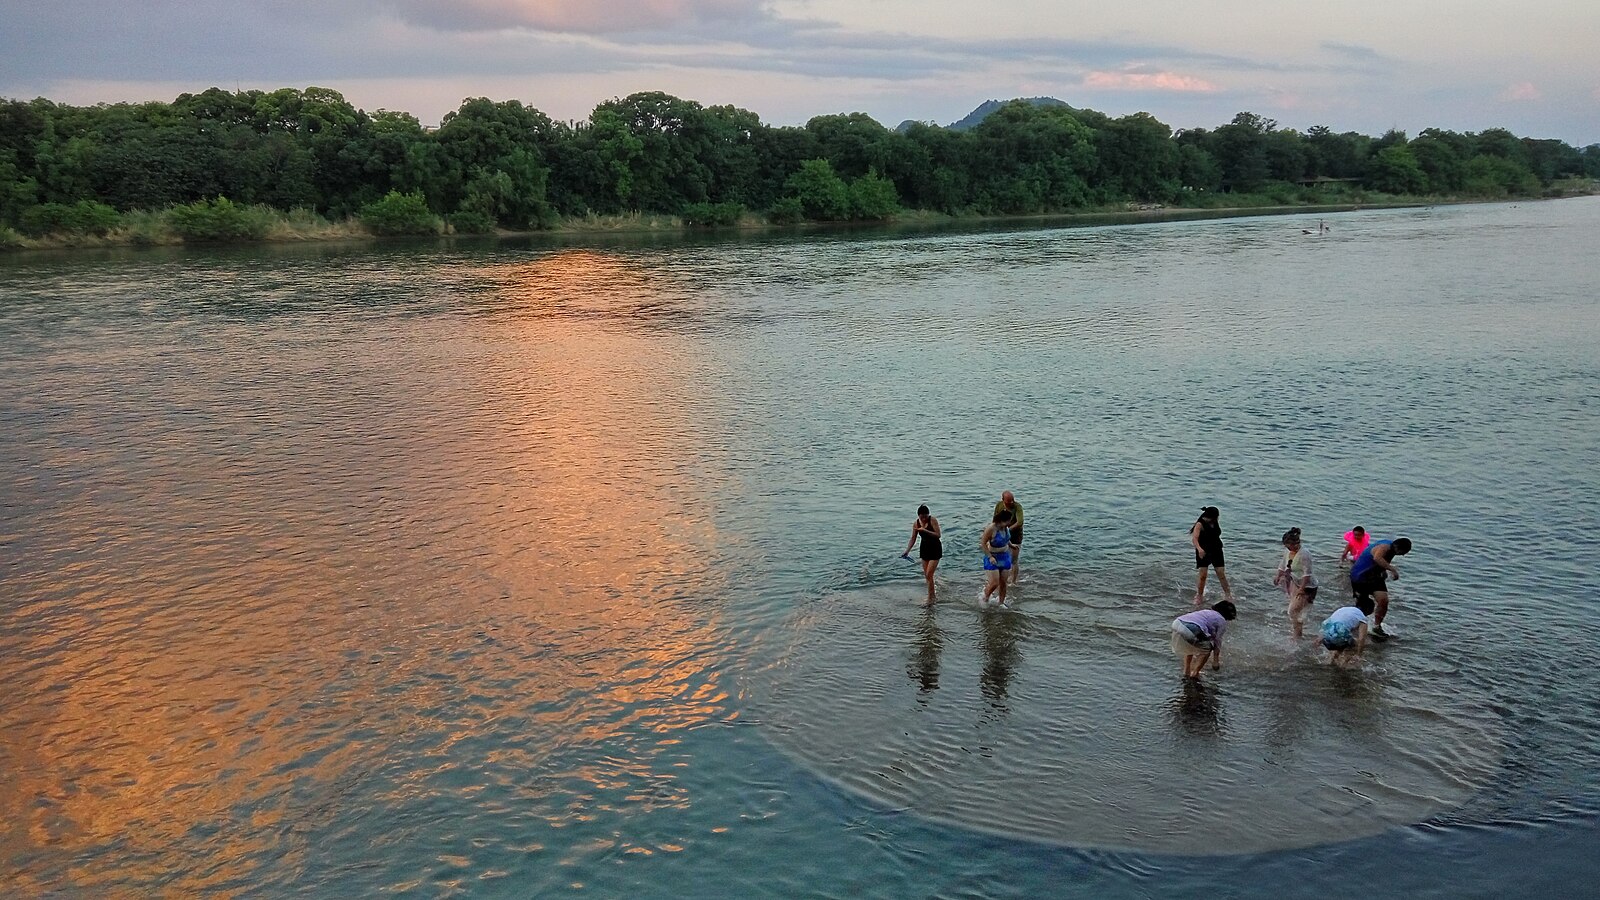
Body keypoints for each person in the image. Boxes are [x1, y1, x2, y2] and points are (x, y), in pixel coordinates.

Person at [1349, 537, 1412, 641]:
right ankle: (1355, 626)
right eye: (1403, 553)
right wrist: (1393, 569)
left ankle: (1376, 626)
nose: (1403, 555)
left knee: (1383, 601)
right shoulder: (1385, 547)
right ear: (1398, 548)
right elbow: (1377, 558)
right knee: (1363, 605)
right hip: (1360, 576)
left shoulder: (1391, 548)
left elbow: (1381, 561)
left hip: (1375, 577)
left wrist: (1383, 571)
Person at [1171, 600, 1238, 679]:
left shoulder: (1206, 612)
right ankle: (1195, 673)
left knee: (1190, 646)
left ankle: (1186, 671)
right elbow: (1217, 641)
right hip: (1192, 628)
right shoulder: (1221, 620)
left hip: (1177, 623)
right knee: (1207, 648)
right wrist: (1215, 660)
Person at [1273, 527, 1319, 639]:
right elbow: (1283, 565)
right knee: (1296, 611)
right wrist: (1278, 575)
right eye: (1286, 546)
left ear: (1296, 543)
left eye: (1289, 545)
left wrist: (1302, 589)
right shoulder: (1288, 552)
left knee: (1292, 611)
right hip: (1295, 581)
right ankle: (1297, 633)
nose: (1288, 548)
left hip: (1307, 586)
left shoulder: (1304, 554)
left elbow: (1307, 574)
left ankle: (1297, 635)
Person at [1190, 506, 1233, 605]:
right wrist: (1199, 549)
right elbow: (1195, 539)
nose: (1217, 519)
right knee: (1203, 575)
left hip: (1216, 550)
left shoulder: (1214, 522)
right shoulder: (1200, 524)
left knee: (1221, 573)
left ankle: (1228, 594)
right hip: (1203, 551)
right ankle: (1199, 595)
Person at [901, 504, 942, 604]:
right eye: (921, 517)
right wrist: (907, 550)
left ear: (928, 515)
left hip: (935, 548)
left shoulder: (932, 520)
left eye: (925, 516)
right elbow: (913, 538)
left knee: (929, 574)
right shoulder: (916, 524)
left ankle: (930, 597)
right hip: (924, 549)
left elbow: (938, 535)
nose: (923, 519)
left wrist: (924, 530)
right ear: (918, 515)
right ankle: (932, 595)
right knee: (927, 575)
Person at [1320, 596, 1375, 666]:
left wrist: (1320, 639)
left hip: (1326, 636)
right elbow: (1362, 639)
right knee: (1354, 645)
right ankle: (1344, 666)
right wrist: (1359, 654)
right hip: (1338, 637)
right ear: (1369, 610)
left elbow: (1330, 623)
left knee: (1343, 642)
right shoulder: (1362, 618)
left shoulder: (1345, 609)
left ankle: (1331, 661)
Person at [980, 508, 1014, 606]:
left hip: (1005, 556)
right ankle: (985, 597)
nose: (1009, 523)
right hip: (993, 556)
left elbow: (1006, 539)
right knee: (995, 583)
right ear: (1001, 520)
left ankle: (1001, 603)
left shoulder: (1006, 528)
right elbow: (983, 543)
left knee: (1003, 582)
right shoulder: (991, 528)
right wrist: (990, 557)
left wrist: (1011, 545)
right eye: (1008, 521)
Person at [994, 491, 1024, 585]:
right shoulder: (999, 505)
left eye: (1012, 500)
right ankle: (1003, 578)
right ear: (1003, 500)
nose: (1011, 503)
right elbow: (995, 519)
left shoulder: (1017, 507)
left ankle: (1014, 582)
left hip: (1015, 535)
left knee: (1014, 560)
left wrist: (1007, 529)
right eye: (1009, 501)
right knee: (1001, 557)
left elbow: (1020, 522)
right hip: (1002, 534)